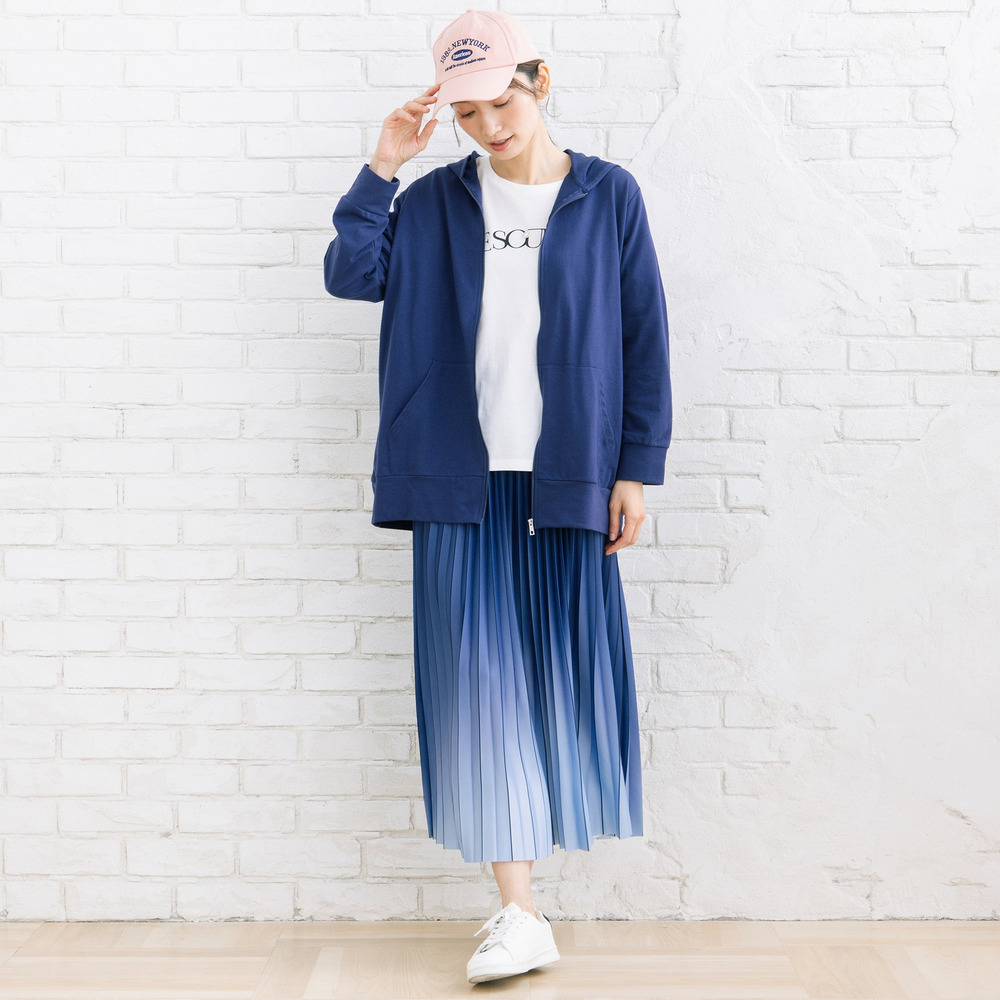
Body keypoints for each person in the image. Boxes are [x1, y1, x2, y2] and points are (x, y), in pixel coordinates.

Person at [324, 8, 672, 986]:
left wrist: (636, 468)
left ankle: (529, 903)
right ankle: (519, 910)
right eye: (467, 114)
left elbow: (644, 334)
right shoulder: (433, 202)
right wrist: (383, 165)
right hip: (457, 482)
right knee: (478, 693)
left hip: (568, 477)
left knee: (557, 679)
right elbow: (352, 275)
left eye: (501, 105)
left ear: (539, 82)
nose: (488, 128)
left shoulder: (608, 195)